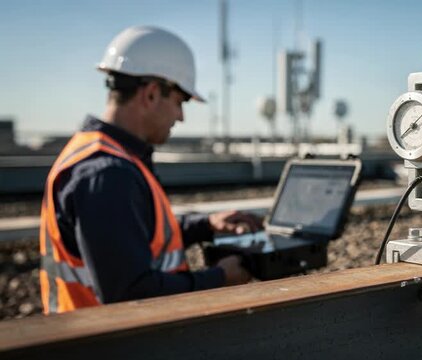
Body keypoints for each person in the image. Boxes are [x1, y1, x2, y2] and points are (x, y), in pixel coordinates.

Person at [39, 26, 261, 314]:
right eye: (180, 102)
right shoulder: (106, 175)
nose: (180, 117)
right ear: (153, 94)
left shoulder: (103, 155)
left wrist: (205, 225)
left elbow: (131, 235)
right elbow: (130, 295)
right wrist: (220, 277)